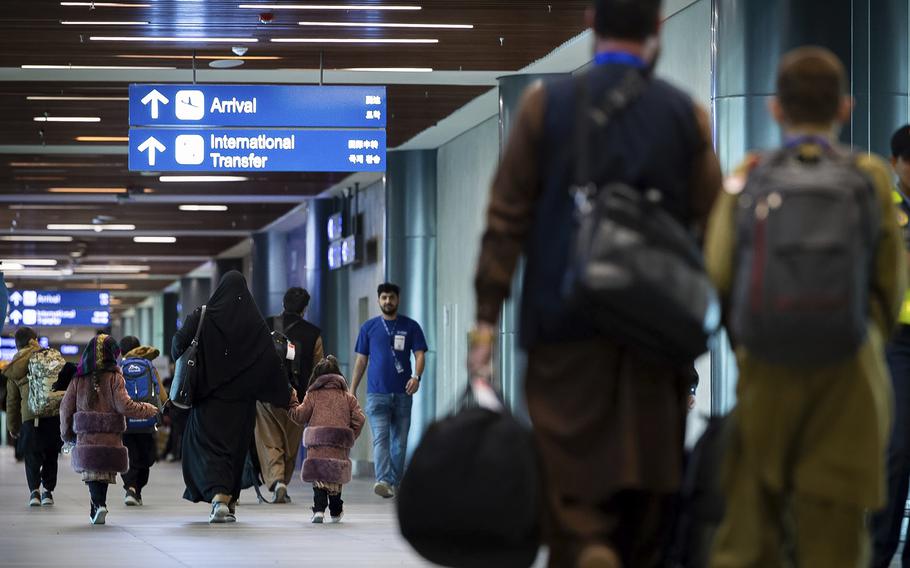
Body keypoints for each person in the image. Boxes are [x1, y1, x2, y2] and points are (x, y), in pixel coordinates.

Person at [468, 0, 723, 564]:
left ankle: (584, 544)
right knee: (648, 484)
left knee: (570, 482)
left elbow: (505, 222)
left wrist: (485, 325)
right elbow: (717, 232)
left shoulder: (545, 108)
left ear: (590, 22)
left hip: (564, 332)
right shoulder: (684, 116)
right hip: (656, 340)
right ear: (657, 27)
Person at [706, 48, 907, 566]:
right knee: (836, 542)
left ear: (776, 109)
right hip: (849, 377)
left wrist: (751, 346)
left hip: (767, 375)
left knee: (751, 537)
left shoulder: (749, 176)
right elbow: (890, 282)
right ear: (845, 108)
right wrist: (862, 339)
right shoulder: (871, 178)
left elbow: (720, 273)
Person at [172, 270, 293, 523]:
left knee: (207, 450)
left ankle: (218, 499)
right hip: (241, 406)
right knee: (233, 452)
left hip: (207, 402)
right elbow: (271, 362)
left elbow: (177, 346)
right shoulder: (255, 323)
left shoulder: (203, 316)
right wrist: (283, 393)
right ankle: (228, 498)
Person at [59, 334, 158, 525]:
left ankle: (98, 504)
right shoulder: (115, 377)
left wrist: (66, 434)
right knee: (102, 473)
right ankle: (98, 504)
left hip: (87, 438)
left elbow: (65, 408)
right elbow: (124, 406)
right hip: (110, 438)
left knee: (92, 473)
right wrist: (148, 410)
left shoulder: (78, 378)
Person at [869, 125, 910, 568]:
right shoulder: (883, 210)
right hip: (896, 339)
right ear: (895, 162)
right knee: (895, 448)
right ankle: (878, 551)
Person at [350, 282, 428, 499]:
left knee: (400, 441)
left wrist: (416, 377)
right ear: (378, 300)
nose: (387, 301)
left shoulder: (410, 326)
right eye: (384, 297)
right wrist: (352, 388)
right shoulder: (369, 328)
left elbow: (420, 354)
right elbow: (361, 360)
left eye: (391, 297)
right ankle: (384, 480)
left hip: (404, 393)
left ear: (398, 300)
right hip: (377, 394)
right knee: (381, 438)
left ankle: (393, 481)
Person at [256, 286, 324, 504]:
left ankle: (277, 482)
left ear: (283, 304)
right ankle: (283, 480)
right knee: (290, 443)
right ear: (304, 309)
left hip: (266, 393)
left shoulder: (264, 325)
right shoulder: (314, 333)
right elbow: (317, 369)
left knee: (269, 440)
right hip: (298, 397)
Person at [290, 355, 365, 523]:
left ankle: (318, 510)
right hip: (338, 446)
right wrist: (349, 435)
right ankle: (336, 512)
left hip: (317, 447)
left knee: (319, 479)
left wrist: (292, 400)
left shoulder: (312, 395)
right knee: (335, 479)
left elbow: (300, 415)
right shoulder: (348, 398)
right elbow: (360, 419)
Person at [6, 327, 58, 507]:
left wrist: (13, 426)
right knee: (51, 454)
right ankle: (48, 492)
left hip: (29, 416)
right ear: (34, 339)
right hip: (51, 413)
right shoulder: (48, 355)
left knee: (32, 455)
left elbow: (12, 400)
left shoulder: (16, 364)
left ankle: (34, 492)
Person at [118, 335, 168, 507]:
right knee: (145, 456)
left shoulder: (119, 368)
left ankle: (131, 488)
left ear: (122, 351)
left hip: (125, 421)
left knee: (128, 455)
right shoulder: (149, 366)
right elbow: (161, 395)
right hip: (147, 419)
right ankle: (136, 490)